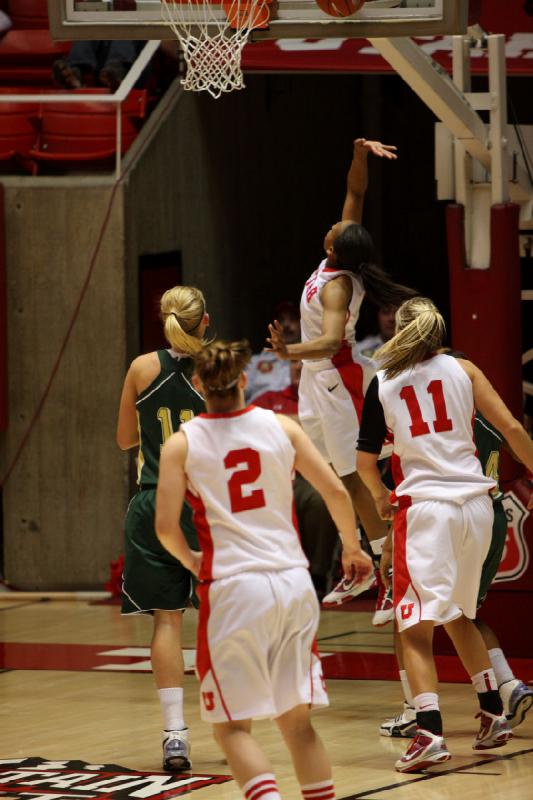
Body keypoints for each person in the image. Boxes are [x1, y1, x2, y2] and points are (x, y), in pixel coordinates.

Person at [155, 340, 373, 800]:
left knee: (231, 728)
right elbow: (336, 492)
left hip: (234, 588)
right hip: (293, 583)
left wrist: (193, 561)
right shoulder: (283, 428)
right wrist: (353, 548)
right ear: (244, 380)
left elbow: (165, 529)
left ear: (199, 386)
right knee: (297, 725)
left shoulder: (181, 445)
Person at [356, 296, 533, 772]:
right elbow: (513, 428)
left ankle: (430, 730)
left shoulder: (384, 381)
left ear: (400, 331)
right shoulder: (465, 370)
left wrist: (378, 498)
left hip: (427, 509)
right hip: (477, 506)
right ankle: (495, 712)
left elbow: (364, 464)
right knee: (458, 613)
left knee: (411, 627)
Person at [267, 137, 416, 607]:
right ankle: (363, 561)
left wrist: (288, 352)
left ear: (332, 243)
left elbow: (332, 341)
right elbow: (356, 194)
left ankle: (385, 571)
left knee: (353, 478)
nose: (334, 221)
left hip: (335, 377)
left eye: (334, 225)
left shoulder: (336, 288)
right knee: (329, 474)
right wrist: (357, 154)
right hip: (318, 379)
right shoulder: (340, 252)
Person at [380, 405, 533, 738]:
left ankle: (417, 714)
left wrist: (389, 539)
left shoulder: (431, 422)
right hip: (487, 513)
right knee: (463, 612)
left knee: (411, 616)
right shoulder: (490, 421)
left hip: (444, 512)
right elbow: (518, 439)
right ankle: (505, 688)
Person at [116, 285, 208, 772]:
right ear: (205, 321)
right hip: (208, 505)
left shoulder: (141, 367)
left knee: (167, 620)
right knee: (224, 616)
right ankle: (241, 722)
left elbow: (124, 439)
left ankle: (175, 736)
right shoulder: (217, 367)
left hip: (155, 503)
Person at [246, 301, 301, 403]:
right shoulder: (256, 361)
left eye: (292, 319)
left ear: (302, 324)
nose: (286, 325)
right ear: (272, 327)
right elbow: (239, 393)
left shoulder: (311, 361)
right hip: (259, 414)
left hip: (294, 415)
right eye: (280, 320)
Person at [53, 41, 145, 92]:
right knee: (92, 21)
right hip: (104, 68)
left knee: (127, 19)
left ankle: (116, 72)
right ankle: (75, 71)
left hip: (137, 67)